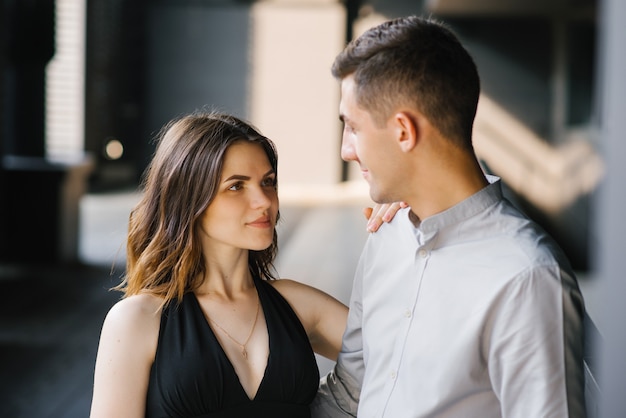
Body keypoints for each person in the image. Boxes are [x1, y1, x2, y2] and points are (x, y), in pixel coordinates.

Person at [312, 15, 586, 417]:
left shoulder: (527, 276)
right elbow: (350, 394)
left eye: (353, 127)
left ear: (404, 131)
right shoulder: (386, 239)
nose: (346, 150)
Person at [89, 111, 399, 417]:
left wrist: (406, 226)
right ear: (188, 199)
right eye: (236, 186)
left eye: (268, 182)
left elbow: (407, 357)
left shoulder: (299, 305)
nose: (264, 201)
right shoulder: (138, 320)